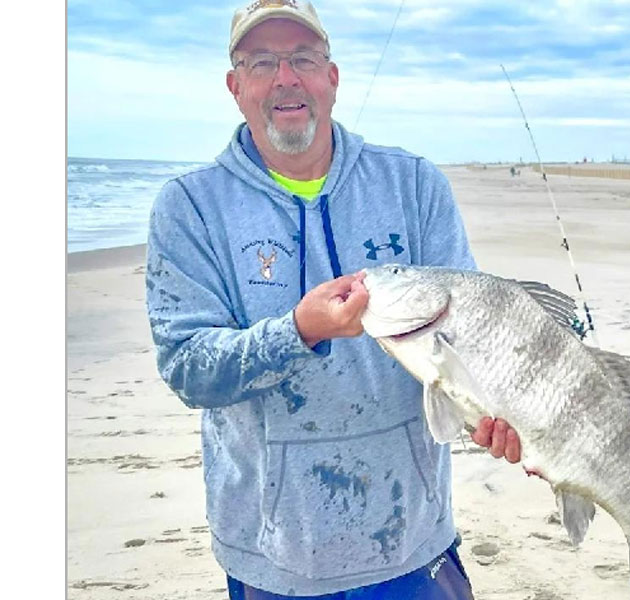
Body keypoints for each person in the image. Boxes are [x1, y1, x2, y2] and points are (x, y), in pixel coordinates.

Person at [145, 2, 521, 599]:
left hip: (411, 538)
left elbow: (472, 330)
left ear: (333, 77)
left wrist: (500, 416)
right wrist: (297, 331)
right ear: (235, 86)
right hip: (271, 556)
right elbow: (188, 368)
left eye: (303, 58)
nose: (285, 78)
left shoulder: (414, 184)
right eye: (262, 62)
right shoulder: (189, 207)